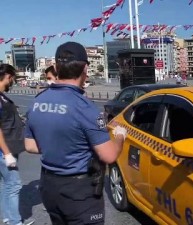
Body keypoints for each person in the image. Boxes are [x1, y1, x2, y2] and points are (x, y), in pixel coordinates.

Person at [24, 42, 127, 225]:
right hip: (79, 192)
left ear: (56, 68)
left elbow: (30, 145)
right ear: (85, 68)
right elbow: (109, 155)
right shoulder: (84, 107)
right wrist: (120, 136)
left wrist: (58, 145)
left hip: (49, 187)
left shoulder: (38, 101)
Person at [0, 64, 35, 225]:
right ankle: (14, 222)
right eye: (13, 77)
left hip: (8, 148)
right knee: (14, 185)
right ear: (7, 76)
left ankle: (8, 217)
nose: (13, 81)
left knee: (6, 184)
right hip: (4, 150)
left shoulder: (3, 96)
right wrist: (7, 153)